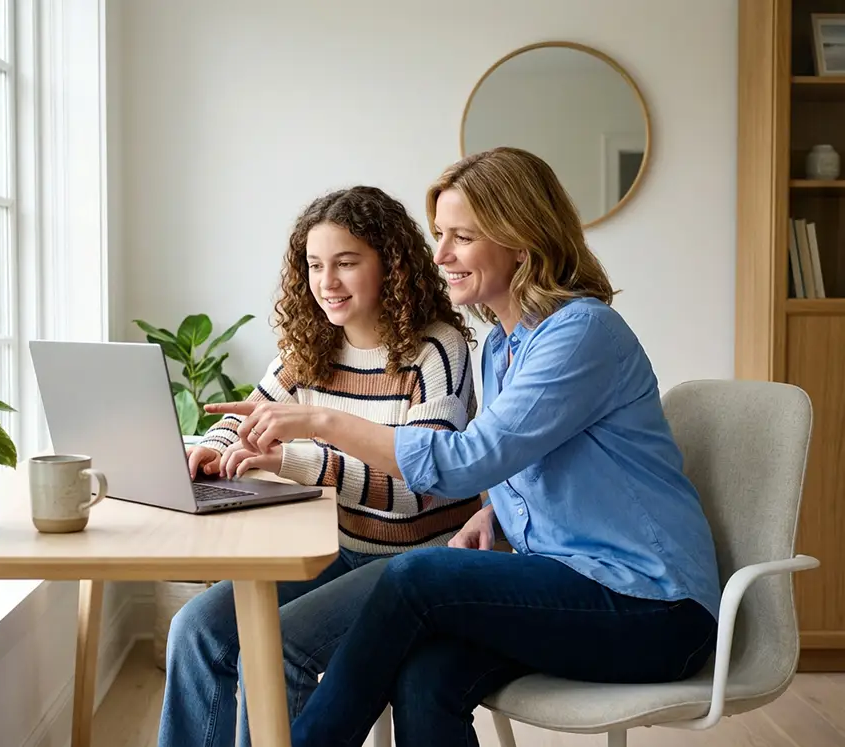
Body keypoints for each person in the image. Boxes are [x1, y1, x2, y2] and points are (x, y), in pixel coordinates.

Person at [207, 147, 723, 747]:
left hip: (651, 606)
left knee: (412, 577)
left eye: (462, 237)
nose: (441, 255)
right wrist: (497, 515)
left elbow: (464, 461)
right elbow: (534, 464)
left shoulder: (581, 332)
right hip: (572, 586)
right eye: (440, 235)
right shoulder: (503, 347)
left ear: (521, 241)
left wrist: (319, 421)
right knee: (428, 676)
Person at [158, 185, 481, 747]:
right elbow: (248, 414)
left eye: (347, 263)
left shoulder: (435, 351)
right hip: (334, 549)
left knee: (279, 645)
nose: (327, 282)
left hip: (417, 562)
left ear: (392, 266)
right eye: (314, 265)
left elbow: (417, 489)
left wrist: (298, 460)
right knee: (196, 630)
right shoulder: (308, 347)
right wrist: (214, 446)